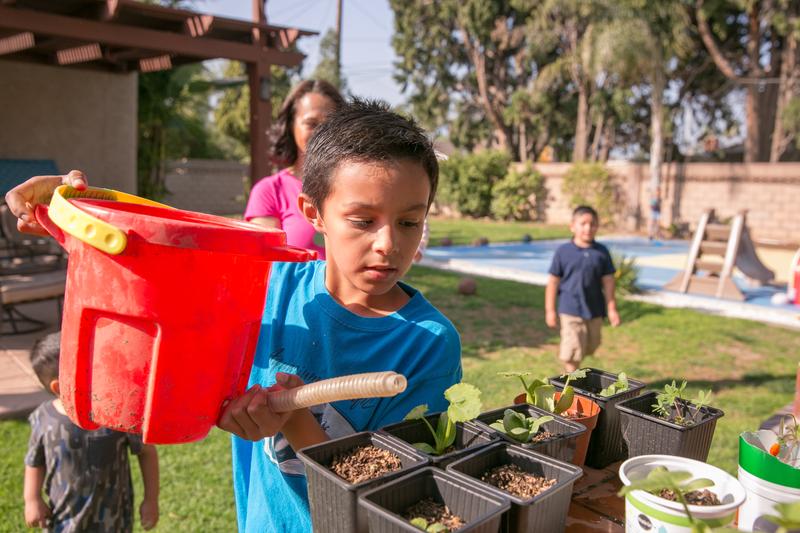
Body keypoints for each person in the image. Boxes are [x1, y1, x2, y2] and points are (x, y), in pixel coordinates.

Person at [7, 98, 463, 533]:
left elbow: (394, 502)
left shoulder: (428, 343)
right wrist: (75, 209)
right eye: (363, 221)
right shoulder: (267, 284)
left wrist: (294, 419)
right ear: (314, 213)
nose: (388, 244)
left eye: (409, 222)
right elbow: (158, 265)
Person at [22, 332, 160, 532]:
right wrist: (32, 499)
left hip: (114, 520)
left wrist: (151, 500)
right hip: (65, 521)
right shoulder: (44, 418)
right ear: (59, 387)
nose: (101, 372)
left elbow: (146, 452)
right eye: (90, 371)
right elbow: (34, 462)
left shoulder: (116, 413)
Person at [244, 79, 345, 259]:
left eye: (329, 124)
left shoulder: (357, 187)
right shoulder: (270, 192)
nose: (321, 133)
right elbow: (264, 264)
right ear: (291, 126)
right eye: (311, 123)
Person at [545, 205, 620, 373]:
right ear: (572, 226)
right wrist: (550, 310)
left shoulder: (601, 252)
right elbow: (553, 282)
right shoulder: (563, 252)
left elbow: (608, 281)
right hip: (570, 309)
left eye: (592, 224)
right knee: (572, 352)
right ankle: (570, 382)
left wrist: (612, 309)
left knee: (592, 345)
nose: (588, 228)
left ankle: (575, 372)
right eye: (583, 223)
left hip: (594, 310)